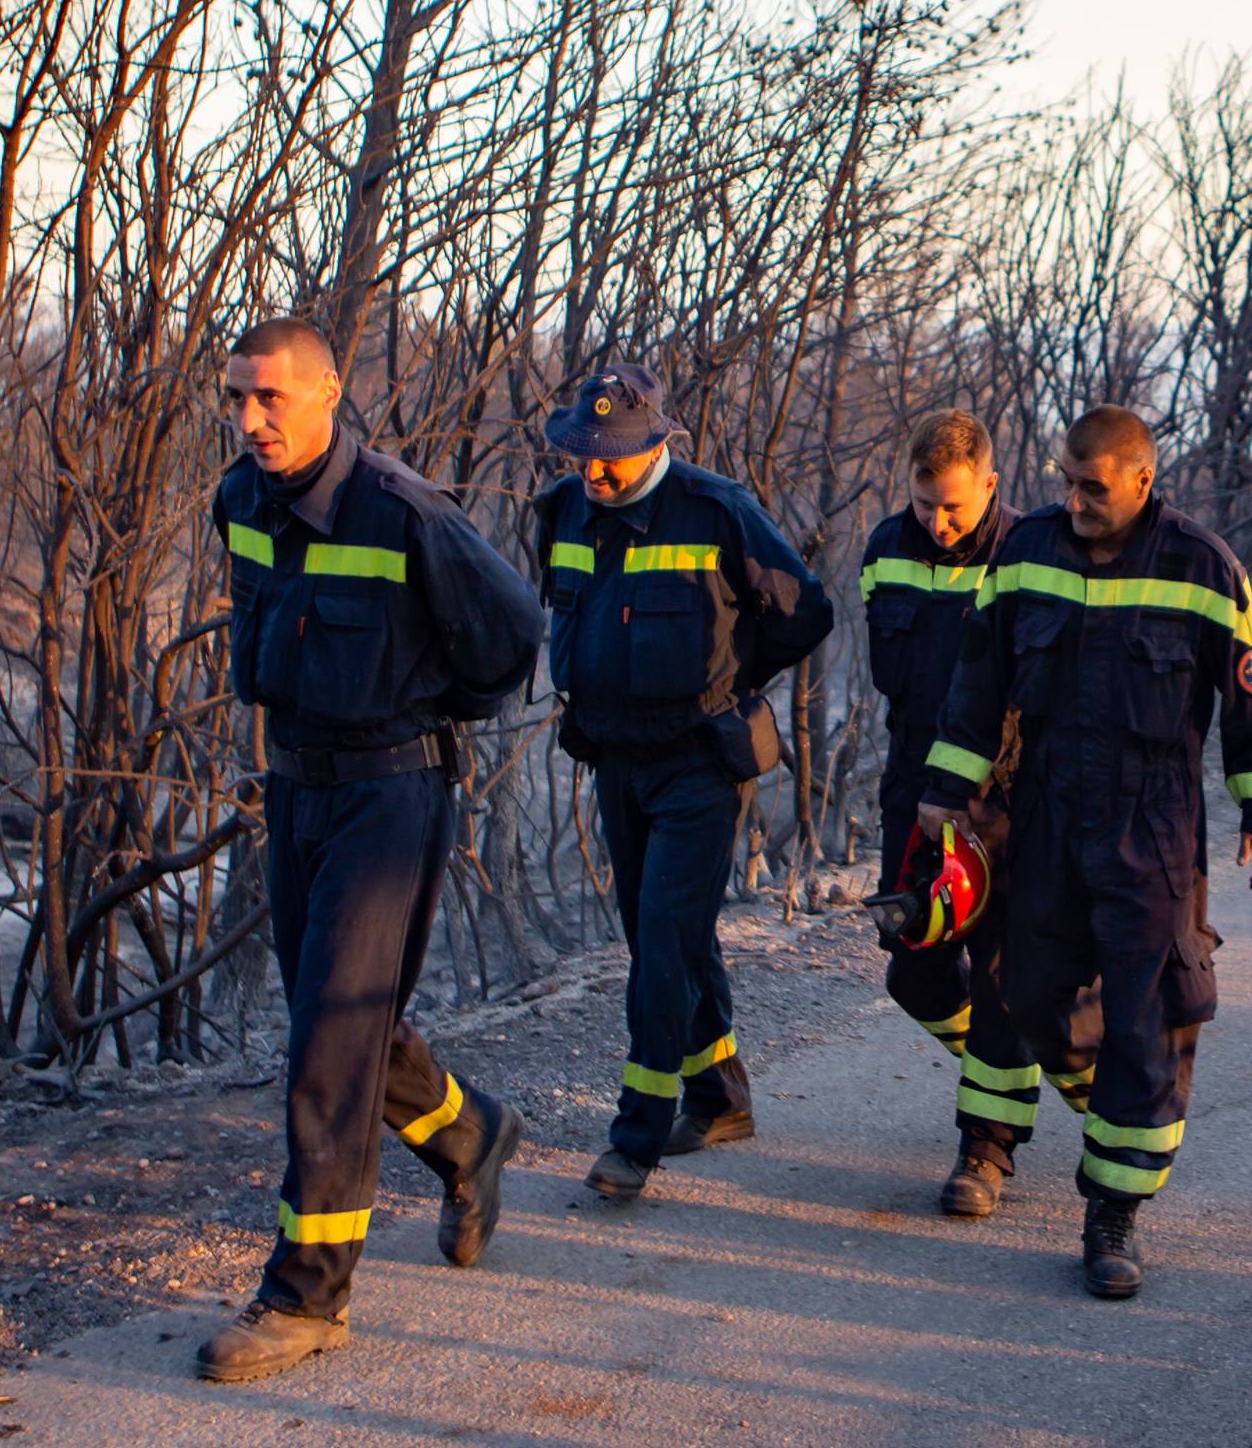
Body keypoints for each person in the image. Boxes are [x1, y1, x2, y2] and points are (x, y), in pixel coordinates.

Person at [196, 317, 545, 1384]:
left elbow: (512, 633)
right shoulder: (240, 502)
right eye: (238, 399)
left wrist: (426, 715)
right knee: (346, 1024)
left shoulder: (402, 512)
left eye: (273, 399)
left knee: (328, 1044)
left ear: (329, 393)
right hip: (296, 789)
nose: (252, 420)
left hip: (393, 794)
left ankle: (307, 1296)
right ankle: (470, 1136)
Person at [920, 405, 1252, 1299]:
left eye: (1091, 486)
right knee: (1025, 988)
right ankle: (1106, 1090)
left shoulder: (1204, 566)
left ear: (1142, 479)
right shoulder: (1026, 550)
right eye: (1065, 479)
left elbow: (1248, 700)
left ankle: (1113, 1209)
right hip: (1048, 816)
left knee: (1149, 1017)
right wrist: (949, 793)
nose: (1072, 499)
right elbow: (977, 679)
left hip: (1153, 831)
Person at [537, 364, 832, 1201]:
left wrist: (733, 678)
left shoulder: (716, 509)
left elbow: (805, 610)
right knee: (661, 936)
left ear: (658, 443)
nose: (594, 472)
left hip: (701, 760)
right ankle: (720, 1095)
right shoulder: (563, 514)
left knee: (663, 942)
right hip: (614, 757)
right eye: (581, 455)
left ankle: (635, 1138)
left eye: (613, 457)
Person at [861, 410, 1097, 1216]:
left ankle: (985, 1148)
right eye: (925, 502)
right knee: (915, 967)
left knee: (1001, 973)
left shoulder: (1034, 552)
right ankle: (1017, 1061)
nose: (938, 520)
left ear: (990, 485)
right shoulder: (882, 552)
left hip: (1008, 798)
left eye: (954, 505)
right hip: (914, 792)